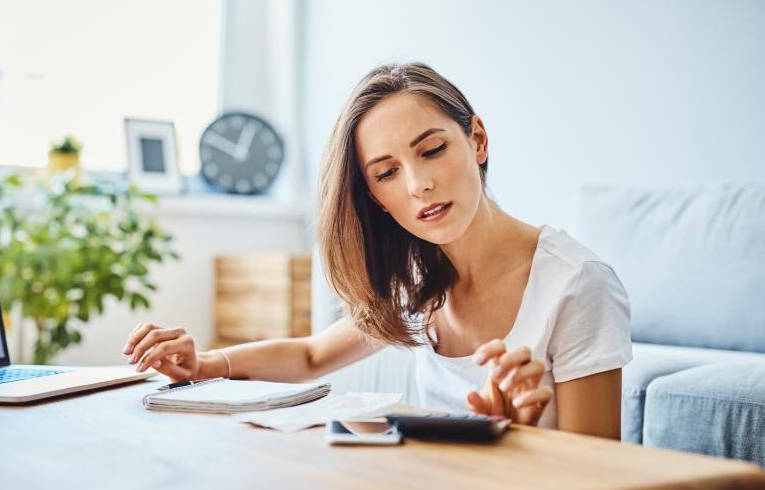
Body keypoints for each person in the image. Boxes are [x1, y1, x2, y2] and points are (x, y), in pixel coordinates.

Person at [122, 62, 632, 438]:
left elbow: (603, 472)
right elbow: (310, 354)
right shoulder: (419, 278)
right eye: (387, 173)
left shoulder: (576, 282)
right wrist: (203, 364)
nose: (419, 185)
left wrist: (518, 435)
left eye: (432, 150)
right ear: (375, 198)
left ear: (477, 140)